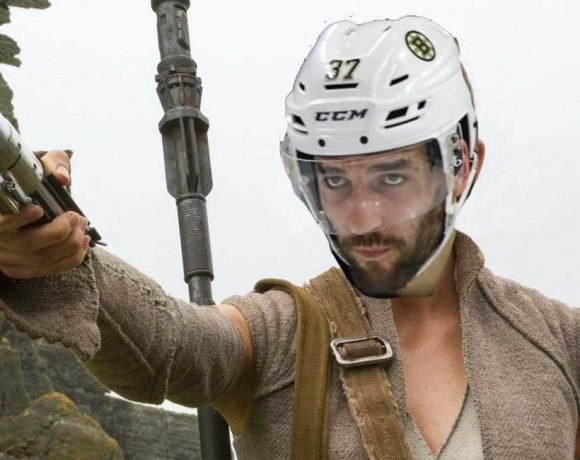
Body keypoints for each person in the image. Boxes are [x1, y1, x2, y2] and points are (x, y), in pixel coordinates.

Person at [0, 15, 578, 460]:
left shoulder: (561, 343)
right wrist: (52, 243)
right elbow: (170, 347)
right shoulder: (282, 333)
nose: (362, 218)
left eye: (392, 178)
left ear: (464, 164)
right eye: (335, 181)